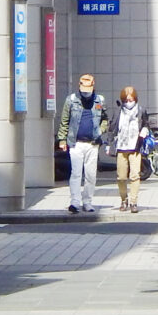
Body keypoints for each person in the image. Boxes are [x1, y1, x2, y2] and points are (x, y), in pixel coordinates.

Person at [55, 75, 107, 214]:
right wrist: (62, 140)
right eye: (83, 89)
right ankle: (75, 202)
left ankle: (88, 201)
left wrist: (100, 130)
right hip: (76, 143)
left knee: (91, 175)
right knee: (76, 173)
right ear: (79, 86)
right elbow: (64, 121)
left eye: (88, 89)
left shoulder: (99, 100)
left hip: (93, 143)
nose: (85, 92)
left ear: (93, 86)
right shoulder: (71, 100)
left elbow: (104, 119)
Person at [111, 85, 145, 213]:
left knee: (135, 176)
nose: (128, 103)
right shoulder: (118, 111)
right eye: (126, 100)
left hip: (135, 147)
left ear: (135, 99)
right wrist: (110, 143)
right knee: (121, 177)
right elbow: (112, 127)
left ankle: (133, 202)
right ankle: (123, 199)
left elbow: (146, 124)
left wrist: (144, 132)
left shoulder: (141, 110)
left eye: (131, 100)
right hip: (121, 147)